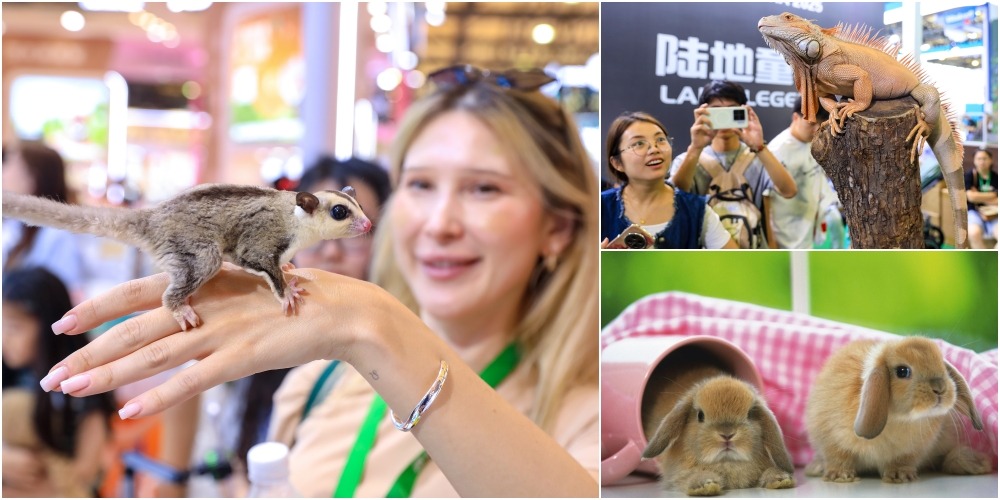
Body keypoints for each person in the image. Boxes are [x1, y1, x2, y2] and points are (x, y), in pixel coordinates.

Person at [39, 65, 599, 497]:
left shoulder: (593, 415)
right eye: (421, 184)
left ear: (557, 226)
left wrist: (373, 325)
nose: (438, 223)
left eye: (484, 189)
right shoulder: (325, 378)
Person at [2, 267, 116, 497]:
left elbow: (85, 472)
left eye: (15, 327)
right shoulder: (10, 374)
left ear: (48, 328)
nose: (4, 338)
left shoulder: (83, 384)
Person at [668, 80, 798, 248]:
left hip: (753, 255)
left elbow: (789, 190)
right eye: (716, 112)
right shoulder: (689, 159)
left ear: (744, 111)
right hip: (703, 257)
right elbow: (673, 198)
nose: (724, 118)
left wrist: (759, 146)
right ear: (702, 113)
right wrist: (695, 148)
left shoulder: (758, 157)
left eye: (731, 110)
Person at [600, 111, 735, 249]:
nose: (654, 149)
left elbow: (736, 264)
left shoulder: (697, 209)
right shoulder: (599, 208)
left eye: (660, 140)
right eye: (639, 143)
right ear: (617, 163)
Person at [2, 142, 87, 301]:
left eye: (10, 164)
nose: (3, 173)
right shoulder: (13, 226)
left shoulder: (57, 236)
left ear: (32, 179)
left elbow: (61, 300)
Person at [767, 97, 842, 249]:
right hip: (786, 237)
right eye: (812, 124)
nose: (816, 129)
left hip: (807, 231)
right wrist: (771, 244)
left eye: (820, 124)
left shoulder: (812, 142)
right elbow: (765, 200)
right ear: (796, 117)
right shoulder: (777, 150)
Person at [965, 149, 998, 249]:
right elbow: (970, 197)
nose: (982, 161)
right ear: (974, 160)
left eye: (985, 158)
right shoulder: (969, 175)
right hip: (974, 211)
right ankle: (983, 260)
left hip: (993, 214)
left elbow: (998, 201)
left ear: (991, 160)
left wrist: (977, 196)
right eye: (979, 158)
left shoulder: (996, 177)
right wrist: (992, 195)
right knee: (973, 233)